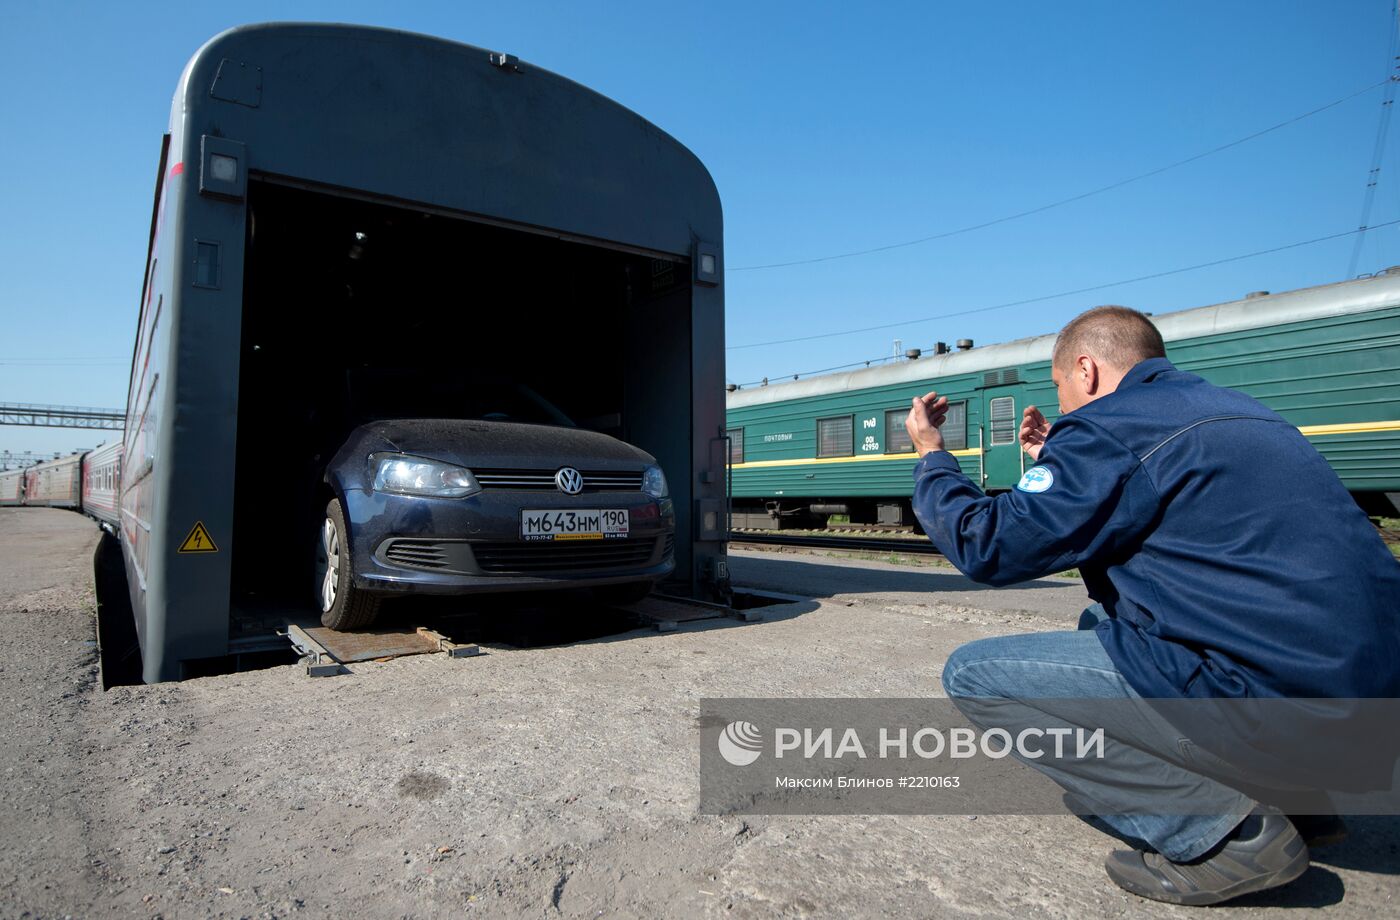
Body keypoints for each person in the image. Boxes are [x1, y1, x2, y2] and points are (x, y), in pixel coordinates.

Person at [903, 305, 1400, 906]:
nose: (1064, 407)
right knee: (1103, 621)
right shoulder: (1249, 412)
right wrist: (1059, 465)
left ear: (1085, 369)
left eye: (1062, 390)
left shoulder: (1110, 426)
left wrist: (932, 455)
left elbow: (987, 545)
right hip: (1367, 710)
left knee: (978, 676)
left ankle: (1226, 839)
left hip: (1281, 707)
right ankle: (1300, 801)